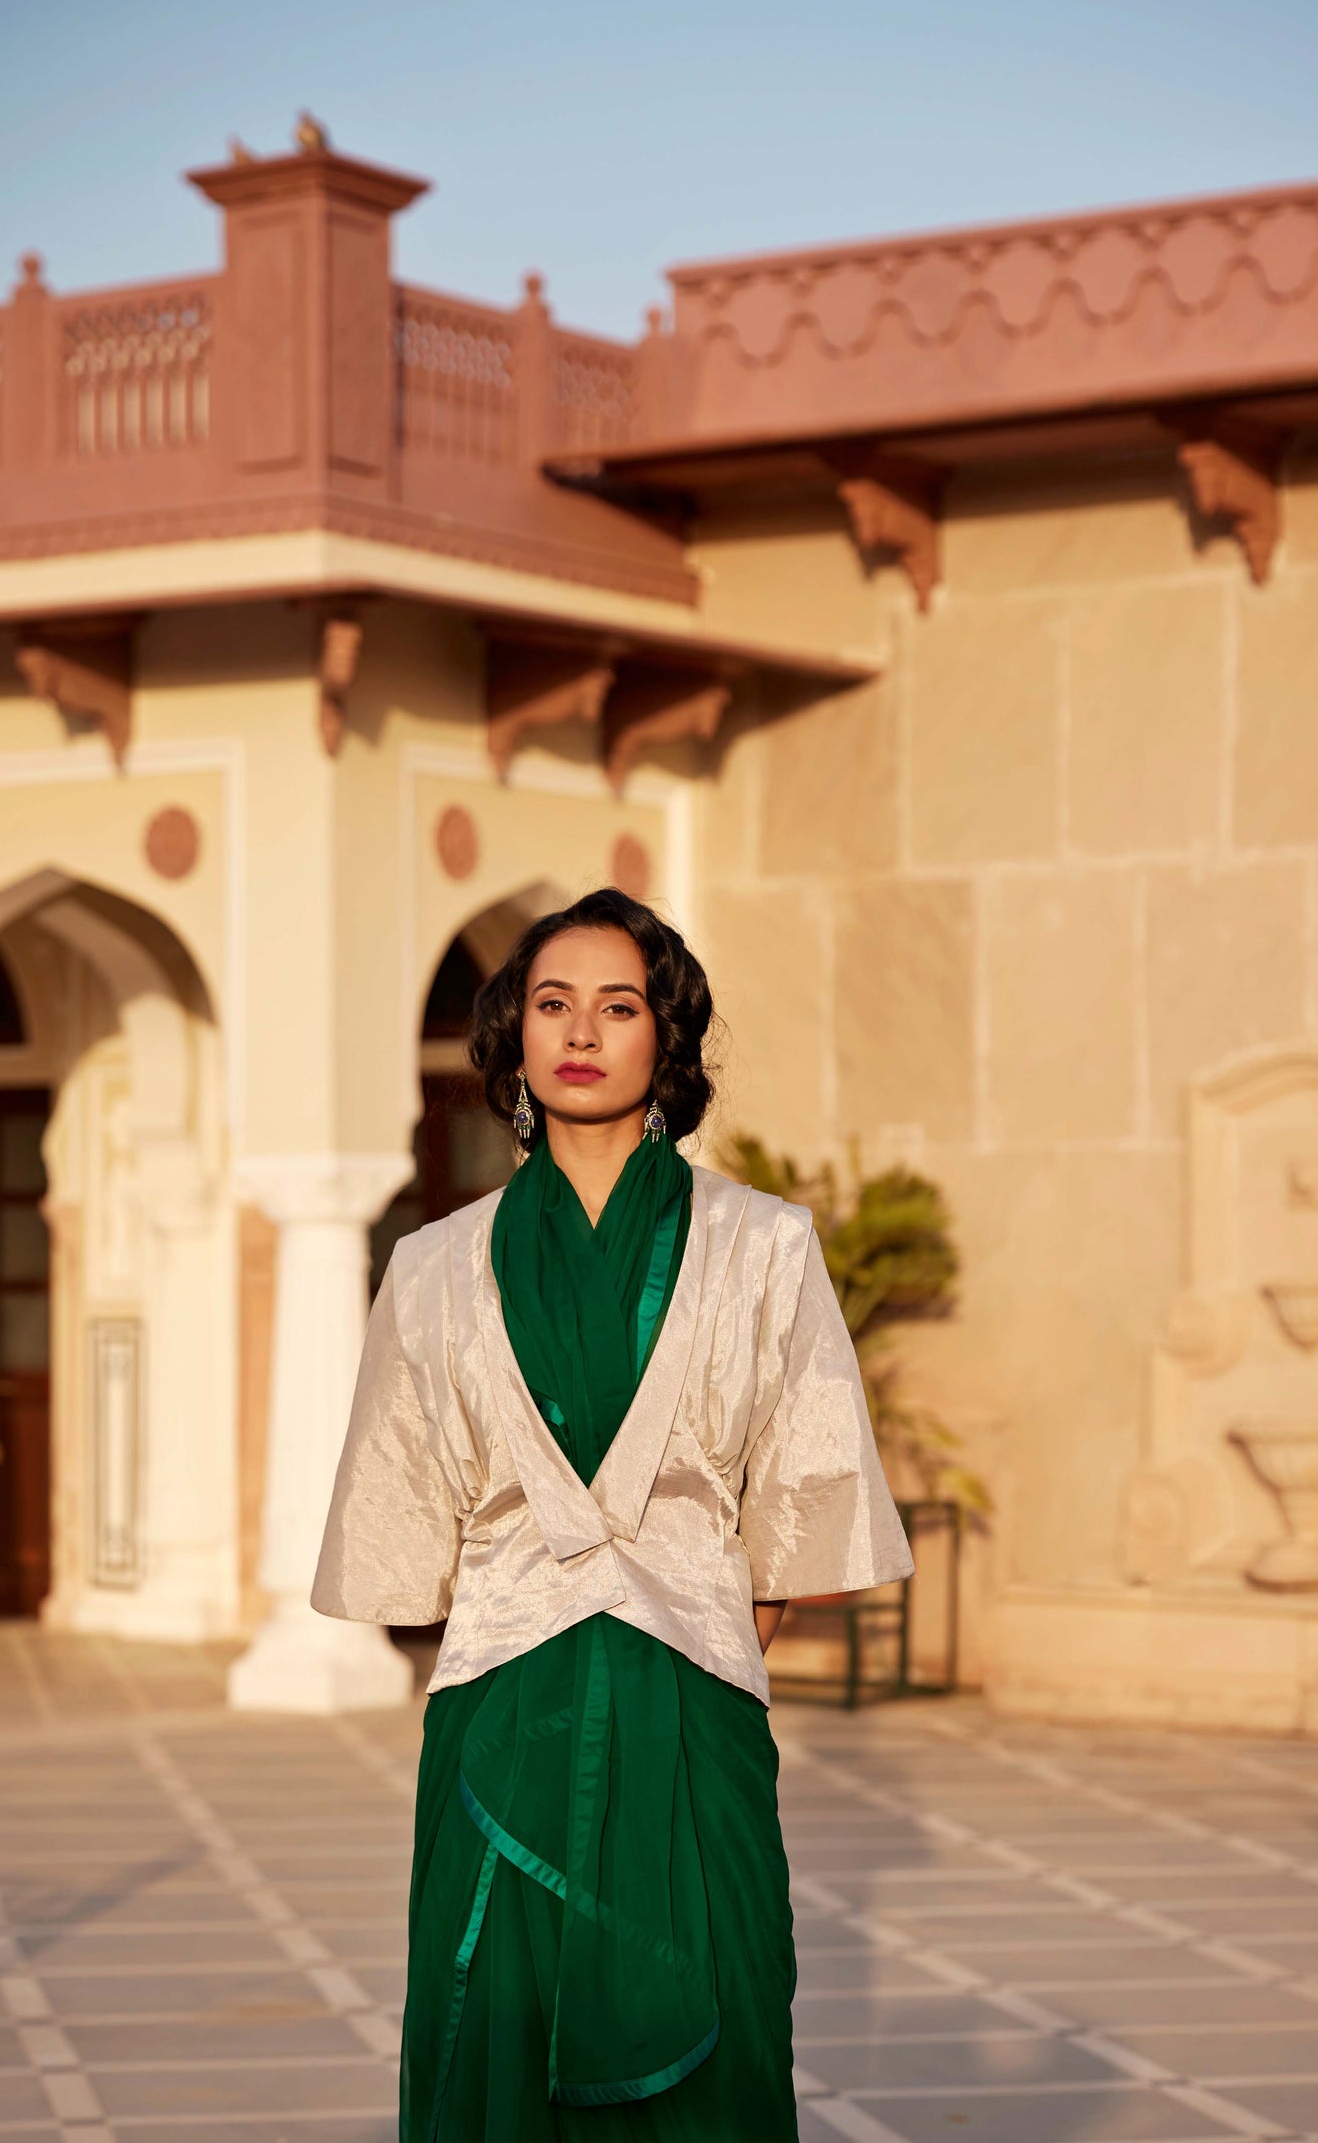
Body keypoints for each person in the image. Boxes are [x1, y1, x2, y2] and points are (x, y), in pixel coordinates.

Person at [312, 887, 914, 2141]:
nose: (580, 1030)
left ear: (665, 1037)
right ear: (515, 1035)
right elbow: (402, 1533)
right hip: (498, 1706)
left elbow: (793, 1510)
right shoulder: (431, 1264)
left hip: (696, 1703)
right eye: (551, 1001)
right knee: (491, 2028)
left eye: (617, 1004)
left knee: (719, 2013)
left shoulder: (765, 1245)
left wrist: (686, 1635)